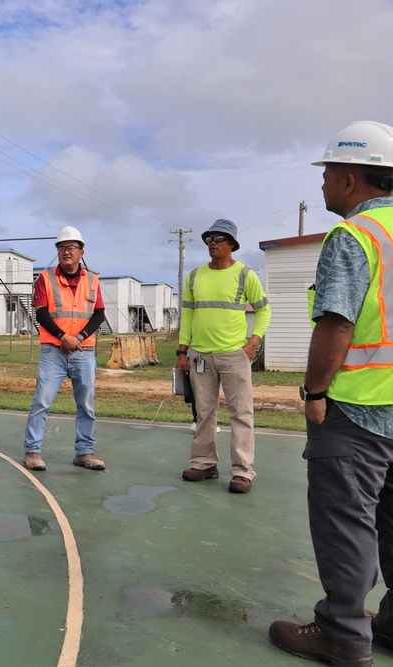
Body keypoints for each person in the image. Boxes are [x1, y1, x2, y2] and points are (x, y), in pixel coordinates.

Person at [269, 120, 393, 666]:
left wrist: (314, 391)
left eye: (325, 176)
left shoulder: (354, 237)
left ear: (348, 179)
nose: (321, 187)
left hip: (358, 406)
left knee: (346, 520)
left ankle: (343, 634)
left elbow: (336, 325)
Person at [176, 218, 271, 494]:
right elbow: (188, 317)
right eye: (209, 239)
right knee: (204, 412)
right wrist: (183, 351)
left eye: (219, 239)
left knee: (241, 413)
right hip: (201, 357)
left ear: (232, 244)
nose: (212, 243)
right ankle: (205, 464)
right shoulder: (195, 276)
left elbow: (264, 310)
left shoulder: (245, 275)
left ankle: (242, 472)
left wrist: (253, 342)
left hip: (234, 355)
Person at [20, 226, 106, 472]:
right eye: (61, 247)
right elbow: (41, 312)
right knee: (42, 401)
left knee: (87, 405)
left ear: (81, 251)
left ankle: (84, 452)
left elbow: (99, 314)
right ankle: (32, 451)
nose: (65, 251)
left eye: (71, 247)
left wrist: (78, 337)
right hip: (53, 351)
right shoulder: (45, 278)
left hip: (84, 350)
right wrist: (62, 336)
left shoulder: (93, 280)